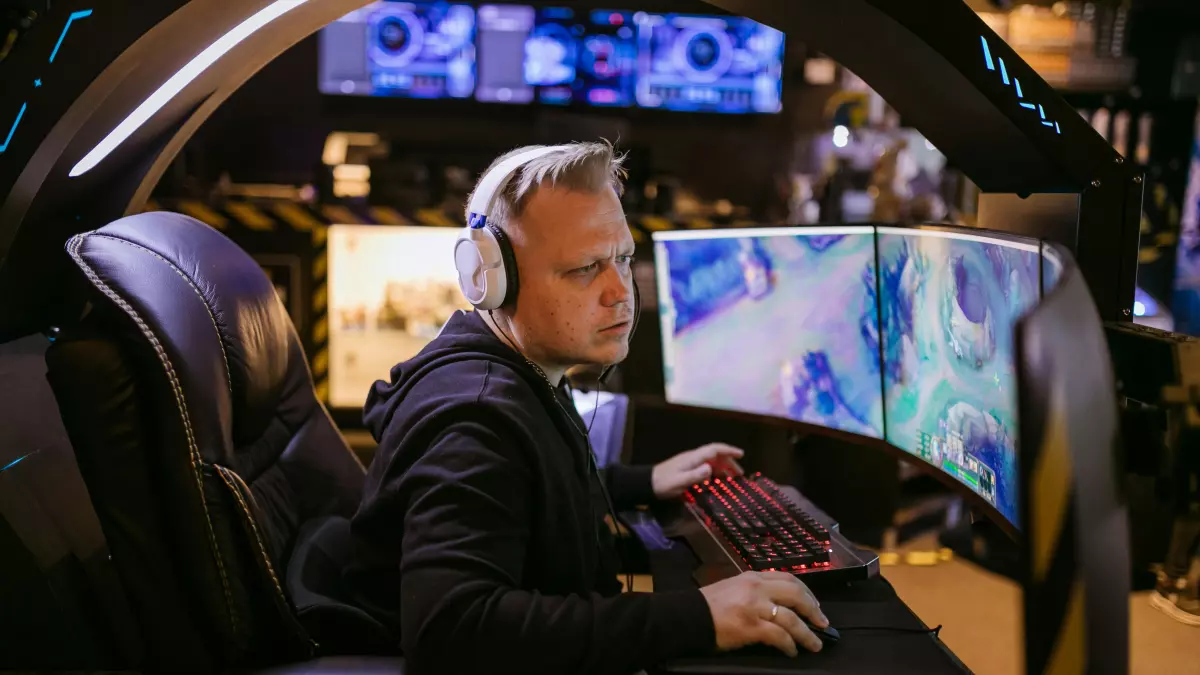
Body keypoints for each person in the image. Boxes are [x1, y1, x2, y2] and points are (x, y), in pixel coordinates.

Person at [343, 141, 829, 674]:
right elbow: (451, 629)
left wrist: (638, 483)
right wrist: (699, 618)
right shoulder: (475, 422)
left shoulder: (517, 374)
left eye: (622, 258)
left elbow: (521, 493)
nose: (620, 291)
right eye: (584, 268)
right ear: (493, 280)